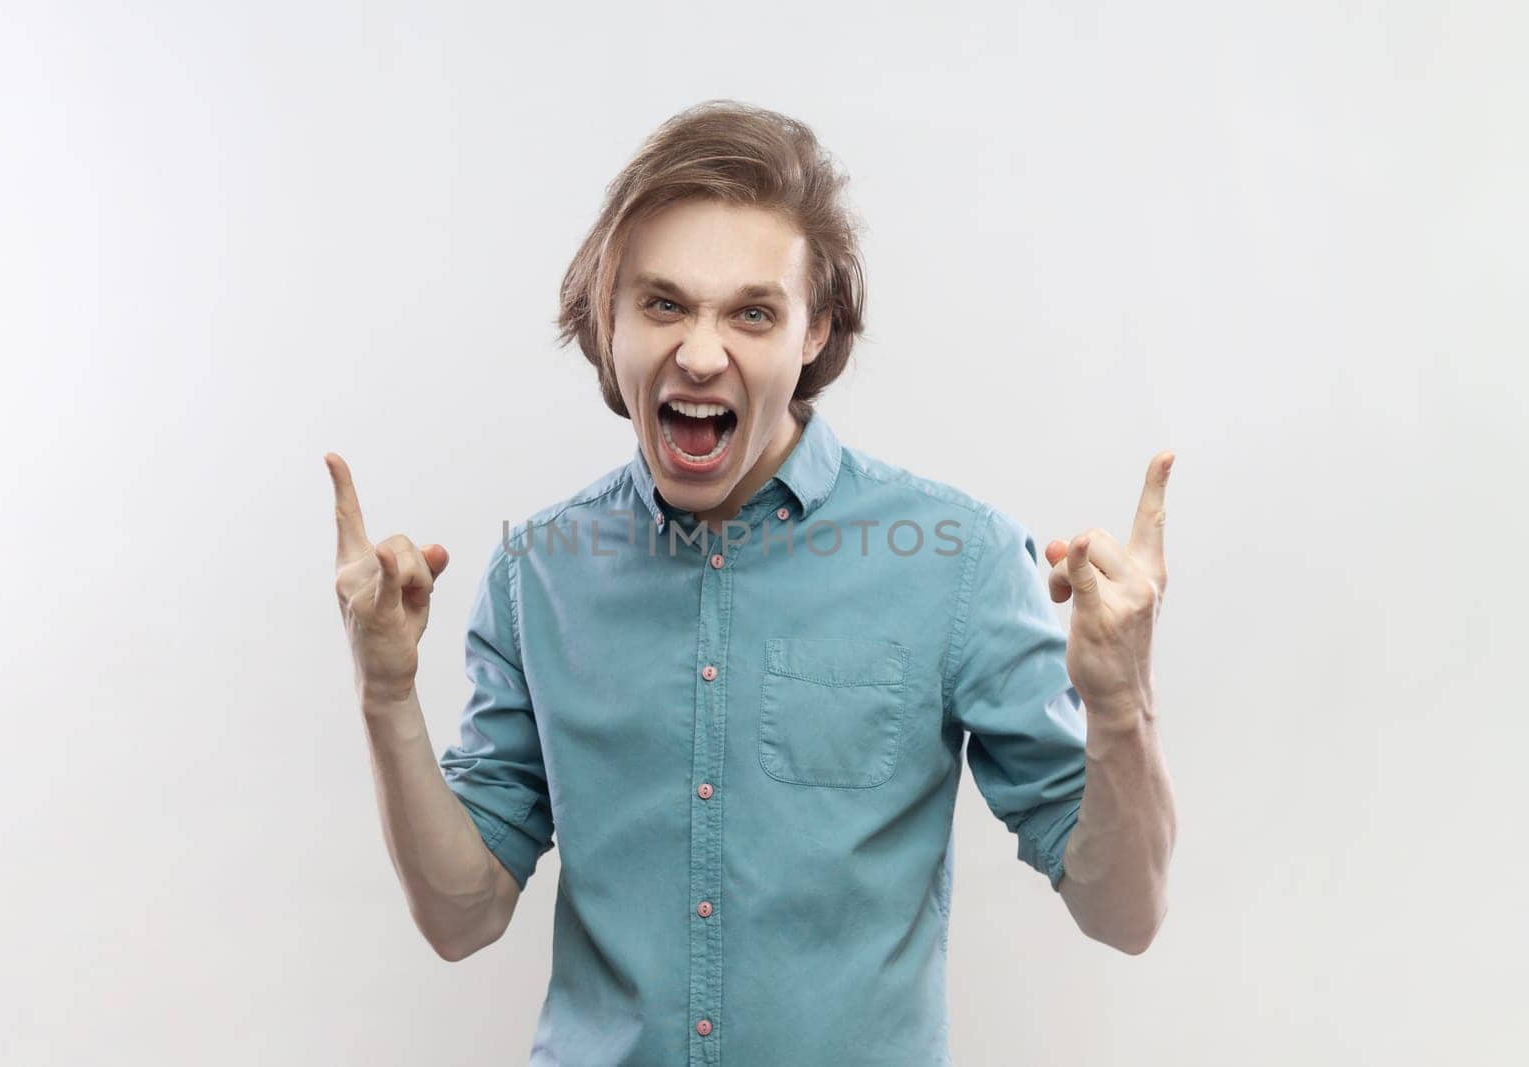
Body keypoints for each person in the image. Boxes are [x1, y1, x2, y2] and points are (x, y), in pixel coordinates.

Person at [327, 98, 1177, 1065]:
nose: (699, 351)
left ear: (814, 333)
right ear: (607, 321)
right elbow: (461, 917)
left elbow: (1124, 912)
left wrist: (1121, 706)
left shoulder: (960, 560)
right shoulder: (539, 575)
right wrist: (386, 693)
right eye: (663, 303)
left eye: (752, 313)